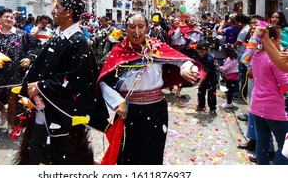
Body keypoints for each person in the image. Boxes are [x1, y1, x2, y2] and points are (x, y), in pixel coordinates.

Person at [14, 0, 110, 165]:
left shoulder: (78, 42)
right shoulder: (60, 37)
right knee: (39, 154)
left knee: (61, 158)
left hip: (61, 117)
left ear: (69, 12)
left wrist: (42, 86)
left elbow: (77, 81)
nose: (53, 11)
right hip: (45, 111)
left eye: (57, 7)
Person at [97, 12, 200, 164]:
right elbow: (102, 81)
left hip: (155, 110)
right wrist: (118, 101)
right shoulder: (119, 51)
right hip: (129, 110)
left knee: (152, 154)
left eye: (140, 26)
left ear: (146, 28)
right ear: (125, 28)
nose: (136, 31)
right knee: (128, 154)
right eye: (132, 27)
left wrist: (185, 68)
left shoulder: (156, 47)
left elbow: (181, 60)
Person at [249, 25, 288, 165]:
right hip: (273, 107)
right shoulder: (274, 59)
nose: (281, 42)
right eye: (279, 38)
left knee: (262, 142)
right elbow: (285, 84)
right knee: (284, 146)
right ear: (271, 40)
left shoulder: (256, 55)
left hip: (257, 105)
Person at [194, 40, 218, 115]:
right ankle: (201, 105)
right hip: (200, 75)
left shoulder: (209, 59)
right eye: (198, 52)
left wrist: (198, 83)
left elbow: (205, 74)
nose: (200, 54)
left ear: (207, 50)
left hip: (210, 77)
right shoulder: (196, 54)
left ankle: (212, 108)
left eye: (202, 52)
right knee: (201, 92)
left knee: (211, 93)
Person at [232, 14, 251, 99]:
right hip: (246, 54)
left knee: (242, 75)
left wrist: (230, 47)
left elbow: (237, 43)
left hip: (243, 55)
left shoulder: (244, 31)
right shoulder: (247, 28)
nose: (235, 23)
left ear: (240, 22)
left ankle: (242, 94)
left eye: (236, 21)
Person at [218, 44, 239, 109]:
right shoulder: (233, 58)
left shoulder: (229, 59)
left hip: (230, 77)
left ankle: (229, 103)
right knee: (230, 90)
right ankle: (229, 102)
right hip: (234, 76)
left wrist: (220, 68)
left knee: (229, 91)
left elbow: (226, 69)